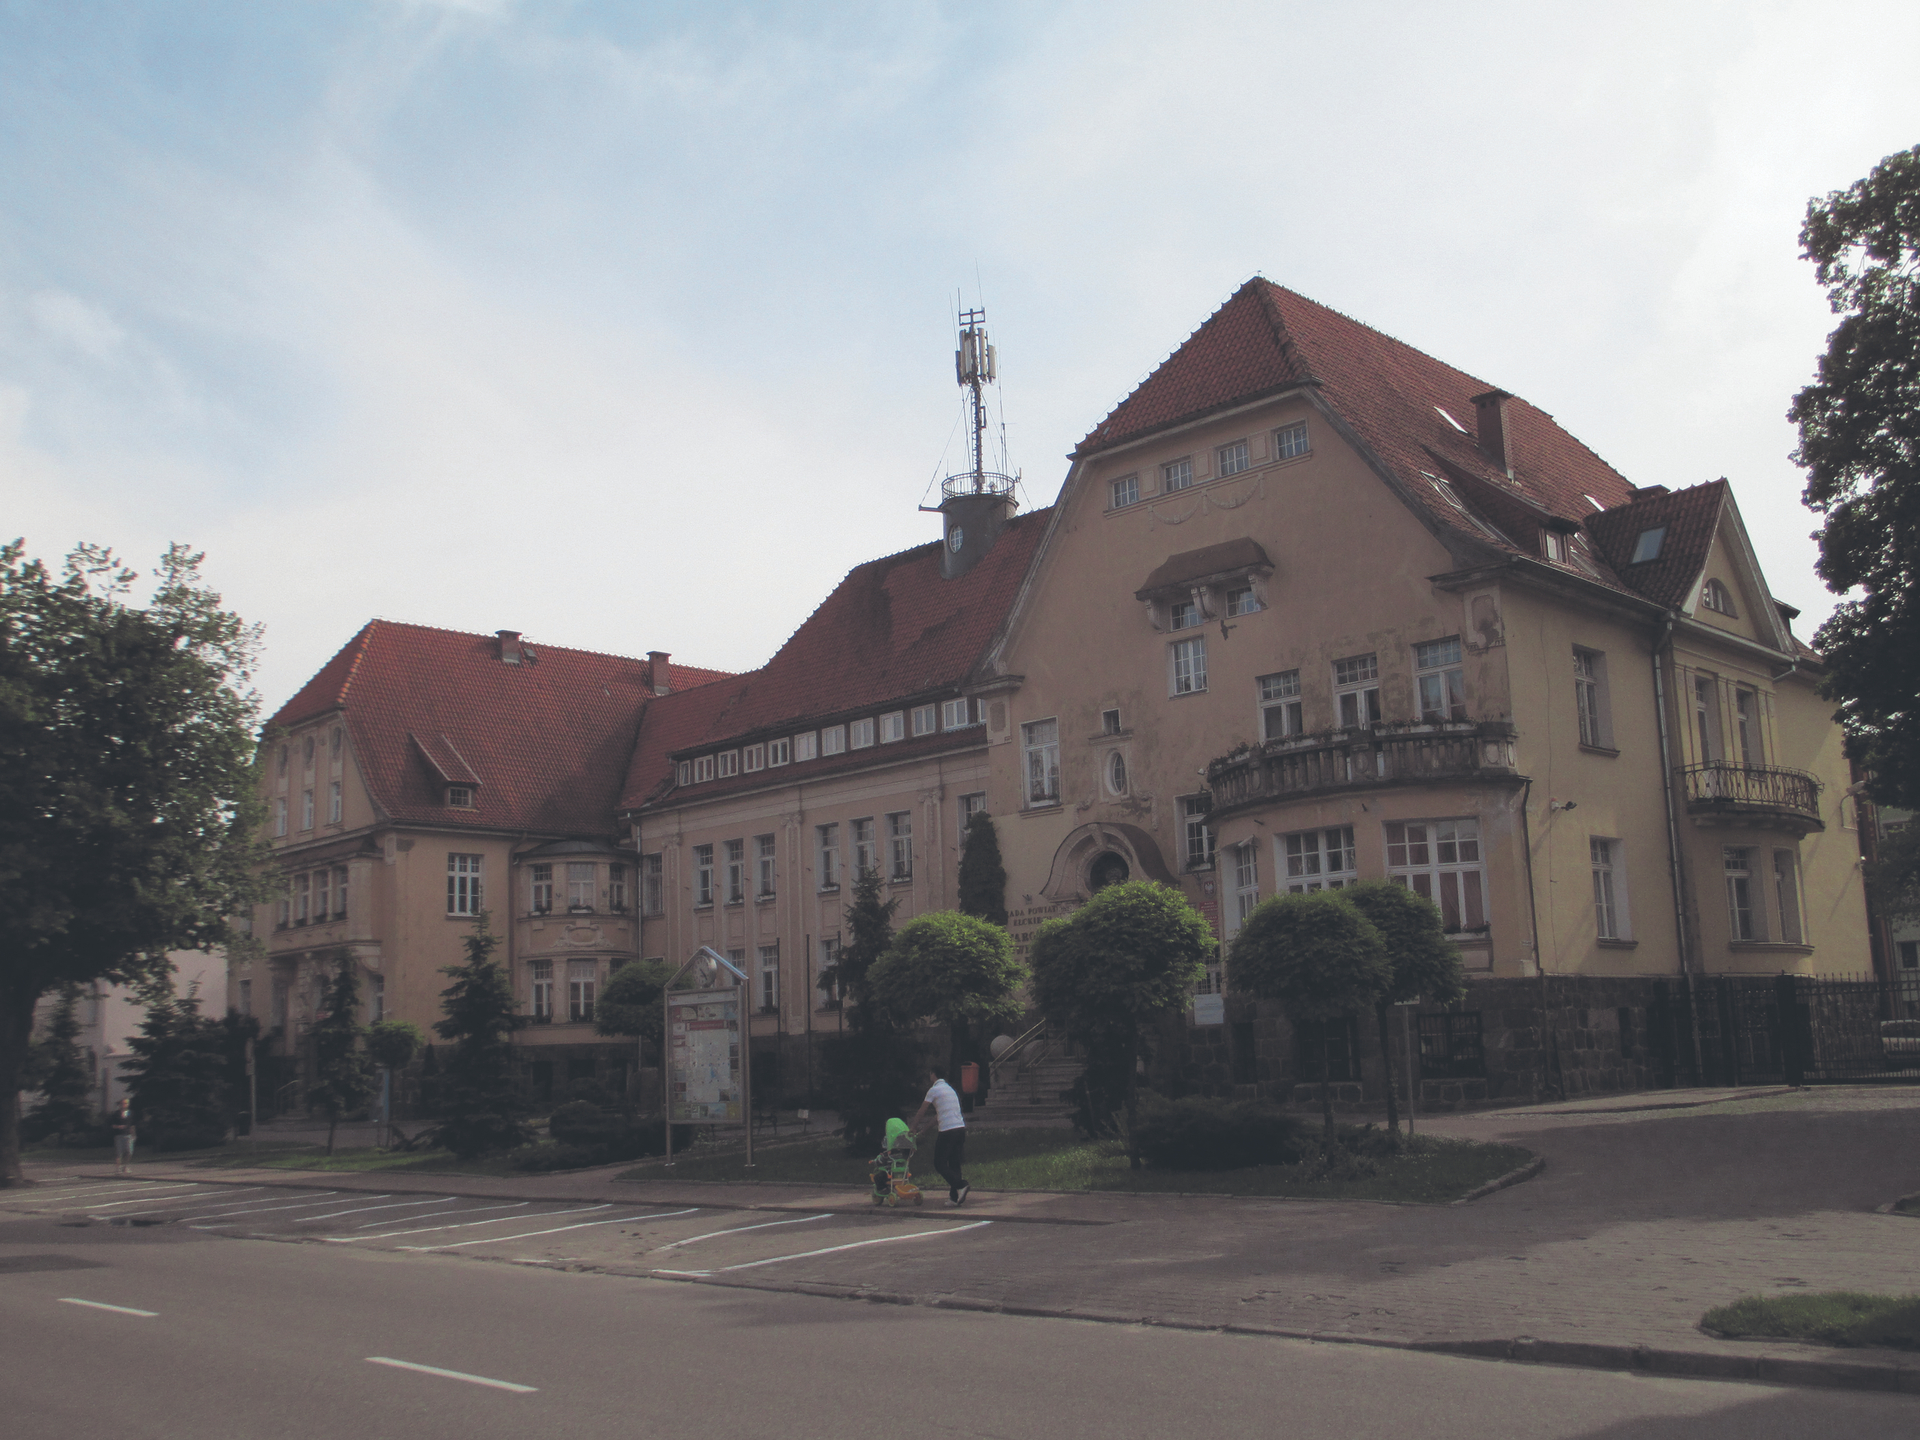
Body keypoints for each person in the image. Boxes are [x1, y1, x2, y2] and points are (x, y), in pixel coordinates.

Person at [911, 1066, 968, 1206]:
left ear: (933, 1074)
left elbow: (922, 1111)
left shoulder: (934, 1090)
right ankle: (955, 1198)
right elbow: (938, 1116)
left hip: (948, 1131)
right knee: (954, 1163)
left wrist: (912, 1128)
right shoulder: (950, 1089)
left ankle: (961, 1185)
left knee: (939, 1163)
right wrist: (924, 1130)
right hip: (960, 1129)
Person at [111, 1099, 136, 1176]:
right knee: (119, 1152)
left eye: (126, 1103)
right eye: (123, 1103)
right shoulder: (116, 1114)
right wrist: (118, 1126)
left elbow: (132, 1125)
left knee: (129, 1152)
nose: (124, 1105)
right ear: (120, 1104)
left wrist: (134, 1134)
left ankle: (125, 1166)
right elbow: (112, 1125)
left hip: (128, 1135)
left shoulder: (130, 1113)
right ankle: (118, 1168)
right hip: (119, 1135)